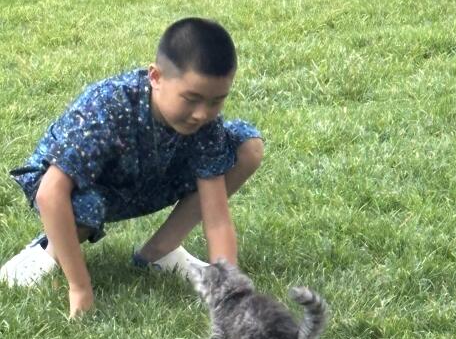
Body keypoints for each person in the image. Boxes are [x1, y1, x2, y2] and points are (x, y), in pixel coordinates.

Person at [0, 17, 264, 317]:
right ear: (155, 77)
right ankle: (48, 251)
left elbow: (216, 216)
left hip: (145, 176)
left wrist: (228, 294)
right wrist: (80, 288)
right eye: (191, 99)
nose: (202, 114)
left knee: (247, 148)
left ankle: (158, 253)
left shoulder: (204, 123)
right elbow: (50, 193)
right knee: (85, 207)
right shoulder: (108, 106)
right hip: (84, 186)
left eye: (216, 101)